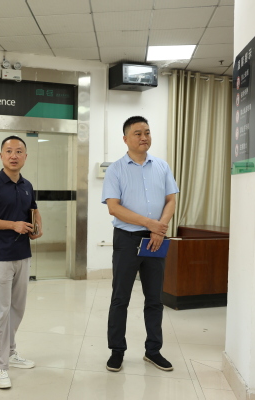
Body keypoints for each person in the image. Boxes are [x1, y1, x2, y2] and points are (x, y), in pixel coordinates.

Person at [101, 116, 179, 373]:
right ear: (126, 139)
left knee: (155, 298)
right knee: (120, 298)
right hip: (127, 240)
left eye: (147, 132)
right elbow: (114, 207)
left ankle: (153, 350)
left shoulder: (162, 166)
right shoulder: (115, 169)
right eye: (137, 133)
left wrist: (159, 229)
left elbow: (171, 200)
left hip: (156, 241)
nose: (144, 137)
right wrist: (150, 224)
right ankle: (117, 351)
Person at [0, 135, 43, 389]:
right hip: (1, 257)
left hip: (23, 255)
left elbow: (33, 210)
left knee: (17, 309)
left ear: (25, 156)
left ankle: (11, 352)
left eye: (19, 151)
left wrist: (38, 227)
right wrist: (12, 225)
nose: (14, 155)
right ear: (1, 156)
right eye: (9, 151)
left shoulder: (27, 185)